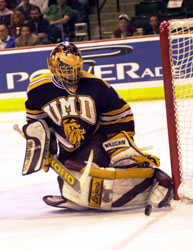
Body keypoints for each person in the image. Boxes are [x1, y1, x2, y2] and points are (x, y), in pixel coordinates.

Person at [21, 41, 173, 212]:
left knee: (110, 168)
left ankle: (148, 180)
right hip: (66, 147)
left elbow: (118, 115)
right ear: (53, 65)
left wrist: (118, 146)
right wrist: (45, 149)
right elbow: (37, 123)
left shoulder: (96, 85)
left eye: (75, 68)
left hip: (95, 139)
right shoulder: (37, 89)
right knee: (72, 176)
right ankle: (78, 195)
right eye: (66, 68)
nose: (72, 74)